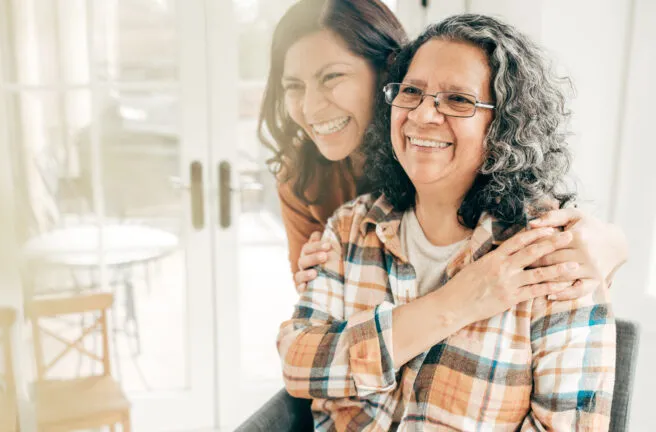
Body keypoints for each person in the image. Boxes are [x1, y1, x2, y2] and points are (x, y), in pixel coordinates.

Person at [277, 14, 616, 431]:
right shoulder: (350, 226)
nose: (423, 115)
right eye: (412, 92)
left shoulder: (551, 256)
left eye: (458, 100)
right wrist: (457, 302)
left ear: (505, 125)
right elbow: (297, 366)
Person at [258, 0, 627, 296]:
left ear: (390, 72)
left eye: (332, 77)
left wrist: (614, 244)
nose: (309, 109)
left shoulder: (453, 154)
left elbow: (558, 236)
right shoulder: (301, 180)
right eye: (293, 86)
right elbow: (321, 325)